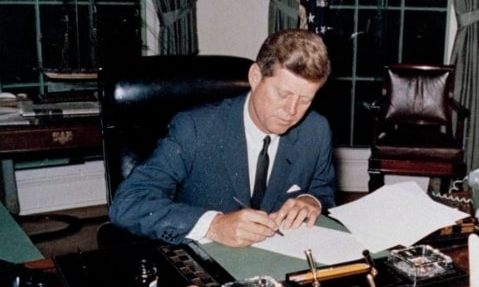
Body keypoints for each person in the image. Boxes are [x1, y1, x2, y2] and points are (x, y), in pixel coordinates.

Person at [109, 28, 335, 247]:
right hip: (205, 259)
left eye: (305, 100)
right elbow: (127, 203)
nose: (292, 110)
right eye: (283, 94)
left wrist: (310, 201)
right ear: (256, 77)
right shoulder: (195, 128)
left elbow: (322, 190)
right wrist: (214, 225)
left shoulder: (315, 130)